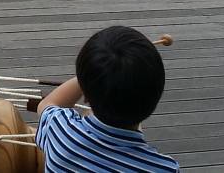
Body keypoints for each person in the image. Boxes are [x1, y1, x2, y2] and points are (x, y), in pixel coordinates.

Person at [35, 26, 180, 172]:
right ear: (156, 97)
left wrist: (93, 72)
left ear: (85, 95)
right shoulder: (165, 168)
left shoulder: (61, 134)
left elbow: (48, 103)